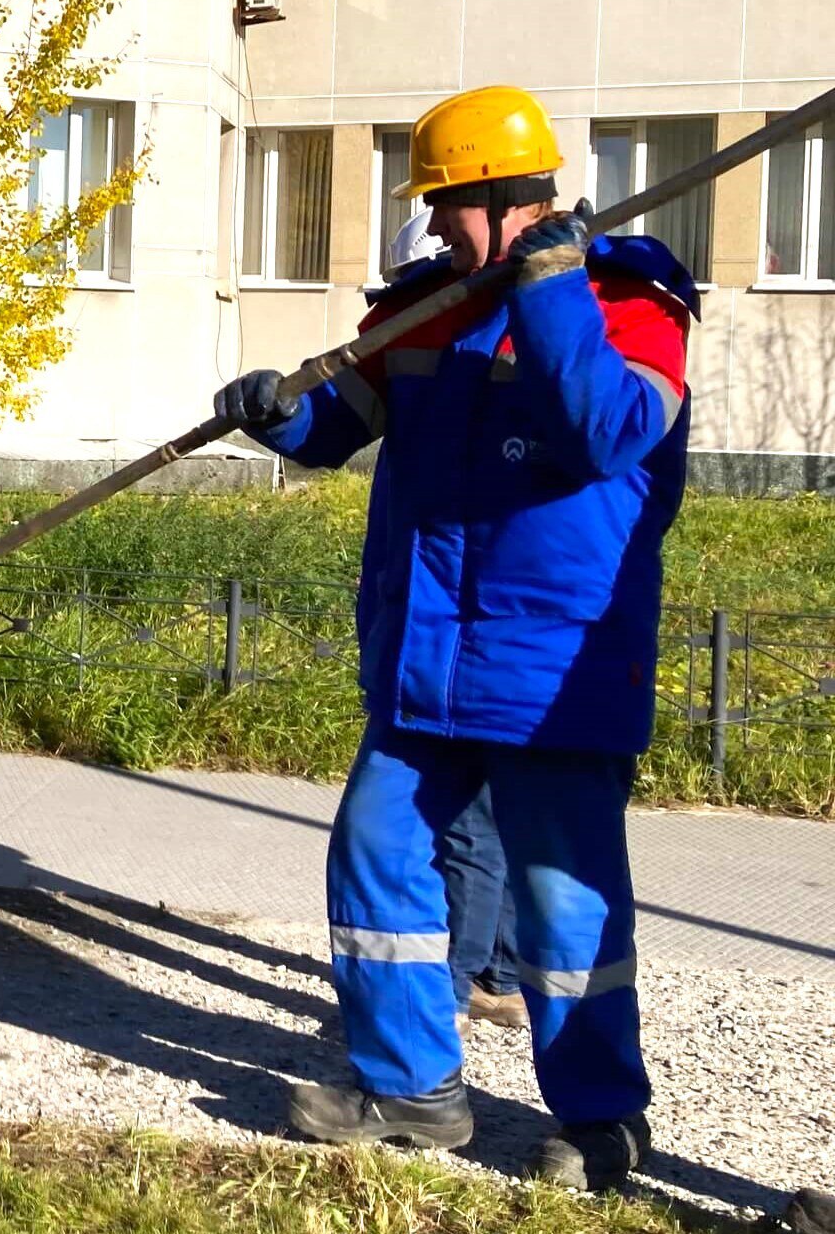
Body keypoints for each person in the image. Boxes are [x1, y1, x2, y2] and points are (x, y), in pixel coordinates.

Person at [215, 86, 697, 1192]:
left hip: (553, 666)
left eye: (444, 205)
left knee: (562, 905)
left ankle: (603, 1119)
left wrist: (551, 294)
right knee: (374, 851)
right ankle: (413, 1090)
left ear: (497, 196)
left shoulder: (628, 303)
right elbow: (336, 428)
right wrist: (276, 411)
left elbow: (610, 434)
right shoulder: (430, 305)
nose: (432, 228)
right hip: (427, 656)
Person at [386, 211, 527, 1037]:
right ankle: (498, 974)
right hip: (459, 635)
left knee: (469, 830)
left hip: (468, 644)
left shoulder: (486, 340)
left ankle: (459, 983)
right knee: (493, 827)